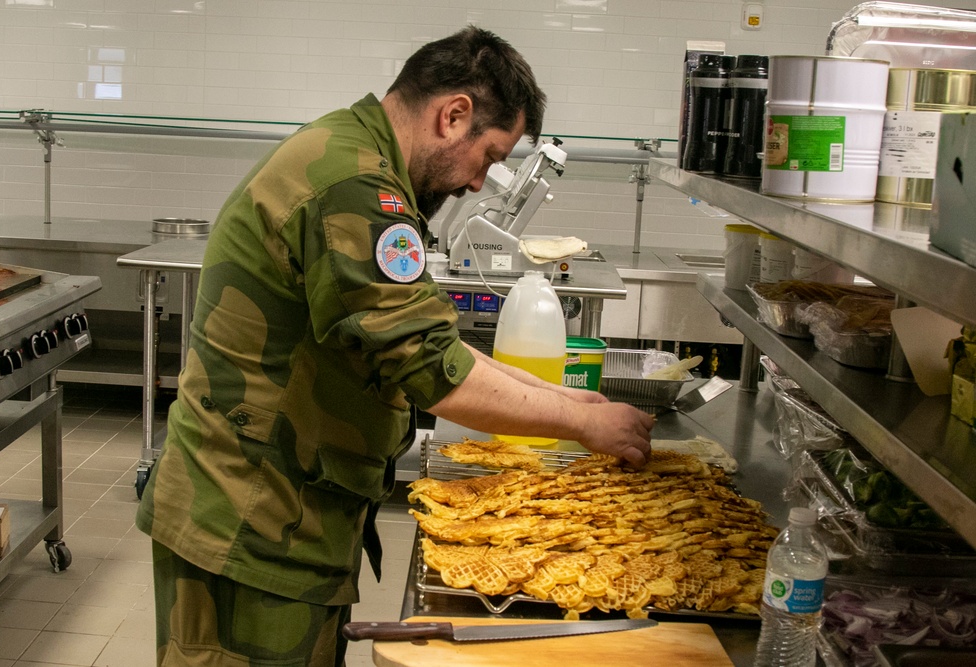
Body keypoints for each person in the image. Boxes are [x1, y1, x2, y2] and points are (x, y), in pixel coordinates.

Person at [135, 25, 654, 667]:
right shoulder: (356, 188)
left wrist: (574, 401)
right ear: (453, 114)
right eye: (487, 157)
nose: (475, 183)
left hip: (283, 506)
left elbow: (432, 341)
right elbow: (436, 371)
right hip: (251, 517)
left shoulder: (355, 154)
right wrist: (582, 423)